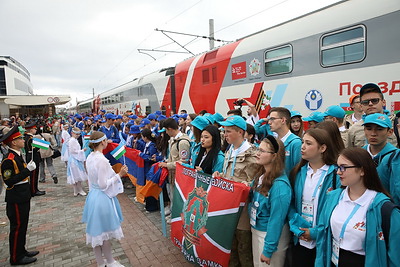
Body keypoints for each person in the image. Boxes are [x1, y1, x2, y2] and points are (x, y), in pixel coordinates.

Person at [315, 147, 400, 266]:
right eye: (338, 167)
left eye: (343, 167)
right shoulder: (333, 197)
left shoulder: (384, 209)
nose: (338, 172)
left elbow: (396, 256)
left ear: (362, 170)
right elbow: (322, 235)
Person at [288, 128, 341, 267]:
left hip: (323, 242)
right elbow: (292, 203)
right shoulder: (298, 172)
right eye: (303, 142)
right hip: (300, 239)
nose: (303, 147)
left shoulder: (336, 174)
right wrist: (295, 226)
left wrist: (317, 232)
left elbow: (338, 210)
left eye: (308, 143)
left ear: (322, 148)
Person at [213, 115, 259, 267]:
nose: (225, 135)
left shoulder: (253, 154)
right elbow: (229, 173)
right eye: (224, 131)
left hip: (244, 209)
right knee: (230, 244)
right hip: (228, 206)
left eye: (228, 131)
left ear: (240, 132)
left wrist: (241, 185)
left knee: (243, 247)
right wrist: (220, 175)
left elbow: (255, 183)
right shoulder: (230, 149)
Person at [82, 131, 127, 267]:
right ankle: (110, 261)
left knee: (96, 232)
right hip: (102, 198)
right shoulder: (101, 160)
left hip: (93, 197)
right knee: (104, 232)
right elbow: (103, 185)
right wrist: (119, 174)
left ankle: (101, 262)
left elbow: (92, 181)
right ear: (102, 142)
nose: (107, 142)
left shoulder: (90, 156)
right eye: (106, 140)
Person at [249, 136, 292, 266]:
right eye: (258, 149)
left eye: (262, 151)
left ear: (274, 156)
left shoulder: (280, 186)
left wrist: (268, 250)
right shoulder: (261, 175)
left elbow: (276, 220)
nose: (257, 153)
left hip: (268, 236)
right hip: (257, 230)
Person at [0, 126, 39, 265]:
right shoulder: (9, 159)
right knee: (17, 228)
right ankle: (16, 257)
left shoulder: (17, 154)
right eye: (20, 138)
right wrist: (27, 171)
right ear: (13, 142)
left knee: (23, 226)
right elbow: (9, 181)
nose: (23, 140)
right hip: (16, 197)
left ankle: (21, 251)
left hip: (23, 196)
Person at [158, 118, 191, 223]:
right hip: (172, 175)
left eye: (166, 130)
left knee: (177, 198)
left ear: (170, 129)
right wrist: (167, 162)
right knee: (172, 196)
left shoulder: (183, 142)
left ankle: (177, 217)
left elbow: (183, 162)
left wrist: (167, 164)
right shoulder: (173, 140)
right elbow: (172, 156)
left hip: (179, 176)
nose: (166, 133)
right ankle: (173, 214)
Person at [347, 83, 397, 148]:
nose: (370, 104)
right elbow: (350, 155)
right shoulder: (354, 129)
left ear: (383, 102)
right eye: (365, 102)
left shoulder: (396, 124)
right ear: (361, 106)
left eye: (375, 100)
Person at [268, 107, 302, 176]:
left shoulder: (296, 143)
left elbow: (298, 172)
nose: (269, 122)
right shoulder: (274, 142)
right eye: (269, 119)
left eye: (272, 119)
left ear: (283, 120)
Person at [24, 121, 45, 196]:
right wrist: (41, 145)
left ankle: (35, 189)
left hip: (33, 157)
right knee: (33, 175)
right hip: (32, 157)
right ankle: (33, 190)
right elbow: (32, 149)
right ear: (31, 130)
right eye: (34, 129)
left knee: (35, 175)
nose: (36, 130)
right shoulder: (29, 138)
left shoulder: (29, 137)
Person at [67, 127, 88, 196]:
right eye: (76, 134)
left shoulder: (74, 140)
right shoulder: (72, 140)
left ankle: (77, 190)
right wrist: (82, 151)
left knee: (76, 175)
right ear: (72, 133)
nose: (77, 135)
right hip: (74, 159)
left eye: (78, 134)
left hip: (75, 159)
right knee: (76, 175)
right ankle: (78, 190)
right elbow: (73, 151)